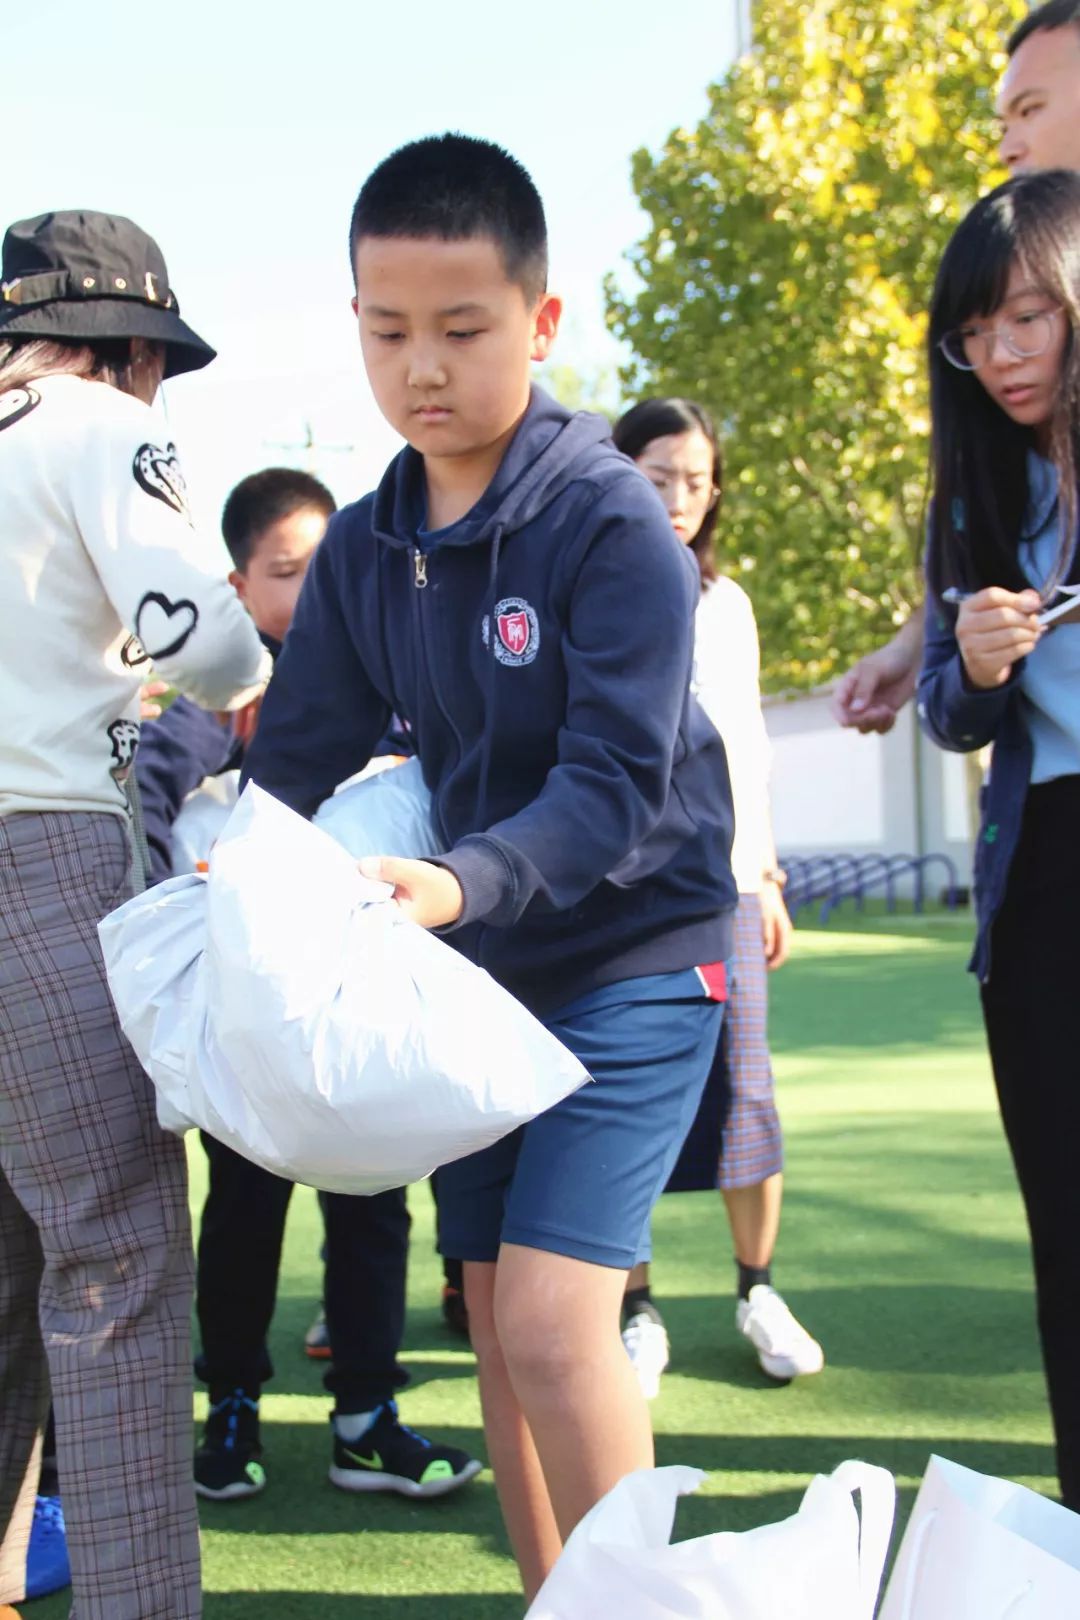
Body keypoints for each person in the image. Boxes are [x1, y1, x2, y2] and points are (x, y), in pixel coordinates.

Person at [241, 133, 737, 1601]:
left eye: (462, 329)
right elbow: (296, 755)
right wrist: (225, 871)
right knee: (491, 1317)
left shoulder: (610, 526)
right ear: (355, 327)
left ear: (542, 322)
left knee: (551, 1323)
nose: (423, 367)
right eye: (388, 331)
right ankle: (558, 1595)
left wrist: (456, 885)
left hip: (642, 954)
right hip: (480, 975)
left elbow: (609, 786)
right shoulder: (366, 541)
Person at [0, 210, 270, 1617]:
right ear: (127, 347)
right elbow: (213, 645)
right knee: (112, 1273)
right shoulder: (95, 426)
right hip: (40, 855)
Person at [136, 467, 481, 1502]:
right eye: (290, 570)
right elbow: (149, 790)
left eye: (332, 561)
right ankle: (231, 1402)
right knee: (244, 1203)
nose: (317, 584)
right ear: (239, 589)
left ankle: (367, 1414)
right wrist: (182, 906)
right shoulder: (223, 701)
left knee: (375, 1198)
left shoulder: (391, 675)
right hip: (257, 1010)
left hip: (364, 996)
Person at [917, 167, 1080, 1512]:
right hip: (1043, 884)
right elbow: (944, 709)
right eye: (978, 330)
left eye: (1032, 314)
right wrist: (972, 666)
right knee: (1068, 1236)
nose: (1006, 352)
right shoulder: (974, 486)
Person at [612, 399, 823, 1397]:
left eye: (699, 480)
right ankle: (635, 1309)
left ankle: (758, 1289)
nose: (683, 498)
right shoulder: (597, 588)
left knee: (747, 1088)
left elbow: (747, 746)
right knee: (629, 1095)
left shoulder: (726, 603)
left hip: (728, 882)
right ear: (623, 476)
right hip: (621, 889)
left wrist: (767, 872)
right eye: (661, 477)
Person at [833, 0, 1080, 735]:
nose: (1010, 145)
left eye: (1030, 110)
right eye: (977, 331)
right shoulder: (987, 459)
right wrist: (934, 648)